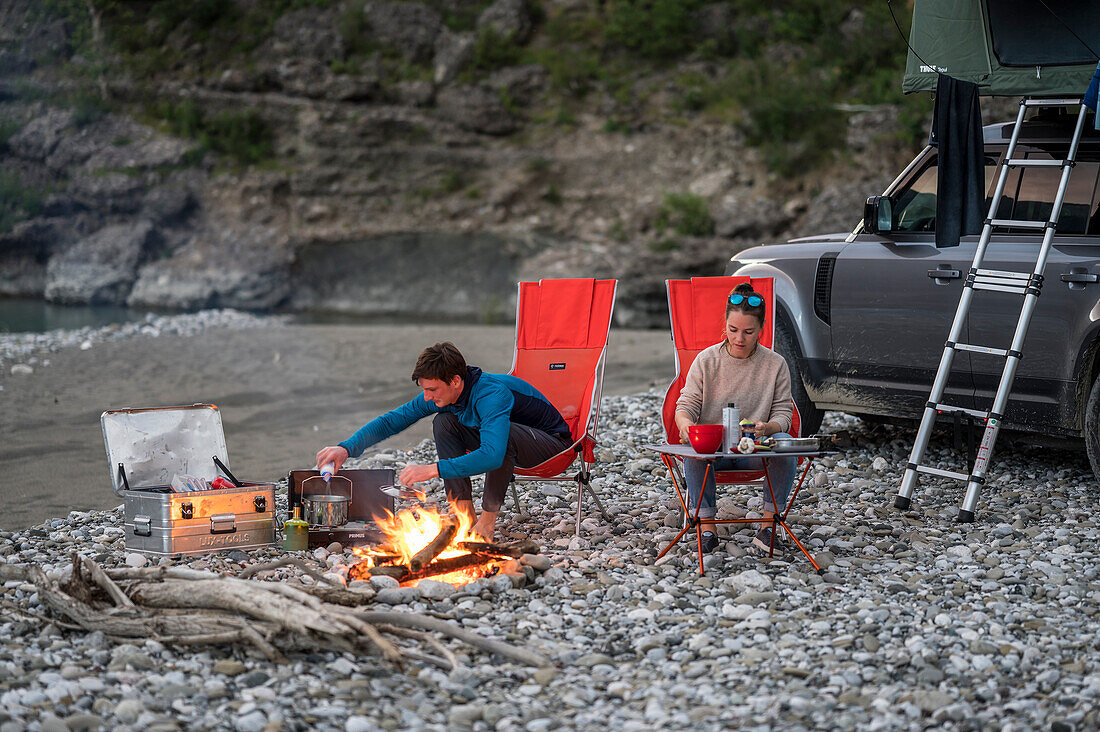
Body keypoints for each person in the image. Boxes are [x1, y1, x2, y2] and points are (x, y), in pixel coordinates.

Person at [315, 342, 572, 541]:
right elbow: (393, 420)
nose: (426, 397)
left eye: (432, 389)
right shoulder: (446, 393)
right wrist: (346, 447)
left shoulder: (492, 395)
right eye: (424, 389)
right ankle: (464, 515)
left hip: (552, 446)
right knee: (444, 422)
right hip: (513, 441)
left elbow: (493, 455)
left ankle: (487, 523)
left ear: (455, 381)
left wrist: (433, 469)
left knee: (501, 440)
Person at [673, 283, 796, 554]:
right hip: (713, 450)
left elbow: (784, 416)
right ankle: (707, 529)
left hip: (756, 447)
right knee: (693, 448)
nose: (739, 338)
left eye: (748, 332)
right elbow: (685, 407)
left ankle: (767, 527)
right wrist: (686, 427)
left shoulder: (775, 364)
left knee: (785, 443)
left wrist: (768, 427)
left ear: (760, 331)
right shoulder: (707, 360)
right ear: (725, 325)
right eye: (733, 330)